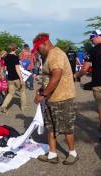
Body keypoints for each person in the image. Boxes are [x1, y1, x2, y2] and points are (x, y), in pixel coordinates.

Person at [33, 33, 78, 165]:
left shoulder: (55, 54)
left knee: (66, 127)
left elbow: (56, 76)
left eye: (38, 48)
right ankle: (52, 154)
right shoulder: (49, 55)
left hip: (63, 98)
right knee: (51, 126)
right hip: (52, 98)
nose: (37, 51)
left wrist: (43, 94)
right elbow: (49, 78)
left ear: (45, 44)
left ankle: (73, 153)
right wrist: (42, 90)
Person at [1, 43, 26, 113]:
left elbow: (5, 68)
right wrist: (21, 78)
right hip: (16, 77)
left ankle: (4, 106)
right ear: (15, 48)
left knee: (10, 93)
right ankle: (23, 107)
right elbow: (17, 68)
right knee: (22, 91)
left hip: (10, 78)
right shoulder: (15, 57)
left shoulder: (6, 57)